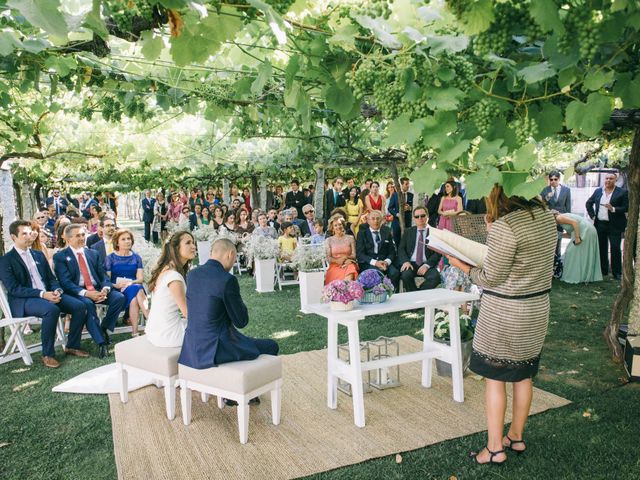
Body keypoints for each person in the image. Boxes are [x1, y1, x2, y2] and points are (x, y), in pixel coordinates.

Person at [447, 184, 557, 466]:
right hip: (537, 307)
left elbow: (490, 277)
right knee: (523, 374)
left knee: (495, 378)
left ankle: (495, 448)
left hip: (505, 312)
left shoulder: (506, 225)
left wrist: (461, 265)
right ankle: (516, 436)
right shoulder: (545, 216)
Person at [177, 238, 279, 373]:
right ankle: (245, 391)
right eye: (235, 258)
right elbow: (241, 321)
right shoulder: (227, 280)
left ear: (211, 253)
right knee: (272, 345)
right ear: (230, 254)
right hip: (217, 348)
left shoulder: (192, 275)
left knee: (250, 341)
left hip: (192, 346)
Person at [0, 220, 90, 368]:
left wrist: (57, 290)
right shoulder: (5, 260)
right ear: (13, 237)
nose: (29, 237)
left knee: (79, 306)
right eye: (24, 234)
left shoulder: (38, 255)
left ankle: (72, 345)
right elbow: (14, 289)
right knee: (52, 310)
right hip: (25, 300)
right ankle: (48, 354)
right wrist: (43, 294)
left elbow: (50, 278)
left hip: (49, 294)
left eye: (30, 233)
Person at [53, 224, 126, 358]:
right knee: (88, 304)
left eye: (83, 235)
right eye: (78, 236)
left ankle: (103, 328)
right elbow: (65, 282)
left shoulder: (93, 253)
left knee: (119, 298)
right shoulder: (61, 256)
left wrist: (105, 288)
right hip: (78, 292)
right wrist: (87, 293)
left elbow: (103, 275)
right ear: (68, 239)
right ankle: (101, 342)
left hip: (97, 289)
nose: (82, 238)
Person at [144, 231, 196, 347]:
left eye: (193, 243)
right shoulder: (174, 277)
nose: (193, 246)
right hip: (168, 335)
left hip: (155, 330)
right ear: (176, 248)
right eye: (188, 243)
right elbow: (187, 313)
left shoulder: (166, 269)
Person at [105, 229, 149, 337]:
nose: (127, 241)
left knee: (135, 293)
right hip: (117, 289)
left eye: (129, 239)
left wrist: (130, 283)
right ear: (117, 242)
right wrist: (116, 285)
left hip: (133, 286)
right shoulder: (110, 258)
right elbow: (107, 279)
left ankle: (135, 332)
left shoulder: (136, 258)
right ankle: (150, 320)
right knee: (136, 291)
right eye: (123, 239)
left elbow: (140, 278)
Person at [585, 172, 628, 280]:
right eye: (607, 178)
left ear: (616, 180)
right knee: (602, 248)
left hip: (615, 225)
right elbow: (588, 203)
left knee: (615, 248)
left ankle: (617, 272)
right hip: (600, 224)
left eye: (611, 178)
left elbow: (626, 207)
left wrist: (613, 209)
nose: (608, 180)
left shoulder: (622, 192)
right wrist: (593, 216)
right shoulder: (598, 191)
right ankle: (603, 270)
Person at [397, 207, 442, 291]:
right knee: (405, 275)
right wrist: (405, 261)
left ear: (427, 216)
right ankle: (417, 299)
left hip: (427, 263)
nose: (420, 218)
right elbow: (401, 249)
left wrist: (427, 265)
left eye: (422, 215)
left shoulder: (434, 232)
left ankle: (417, 295)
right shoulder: (408, 231)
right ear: (414, 218)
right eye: (417, 217)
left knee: (435, 278)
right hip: (411, 264)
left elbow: (438, 252)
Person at [356, 210, 400, 291]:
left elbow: (392, 251)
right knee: (376, 274)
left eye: (378, 219)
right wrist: (376, 263)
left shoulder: (387, 231)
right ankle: (377, 297)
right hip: (369, 262)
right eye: (373, 219)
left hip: (384, 262)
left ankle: (393, 295)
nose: (375, 221)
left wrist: (386, 262)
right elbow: (360, 254)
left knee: (395, 273)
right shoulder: (362, 233)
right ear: (368, 221)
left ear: (381, 220)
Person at [553, 212, 603, 284]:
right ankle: (582, 276)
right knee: (582, 254)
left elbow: (575, 223)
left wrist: (577, 238)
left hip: (585, 230)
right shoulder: (561, 219)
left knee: (571, 252)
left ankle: (575, 276)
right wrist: (558, 235)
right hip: (587, 229)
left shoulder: (559, 217)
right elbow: (569, 234)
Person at [324, 215, 358, 284]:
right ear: (332, 228)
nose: (338, 227)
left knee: (351, 269)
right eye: (335, 225)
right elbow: (328, 257)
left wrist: (347, 258)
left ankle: (346, 289)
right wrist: (337, 261)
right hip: (335, 265)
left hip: (348, 263)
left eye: (340, 224)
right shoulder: (328, 240)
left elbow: (354, 255)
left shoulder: (350, 238)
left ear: (343, 225)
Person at [388, 177, 414, 246]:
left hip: (407, 221)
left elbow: (414, 208)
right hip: (397, 221)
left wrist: (410, 208)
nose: (408, 185)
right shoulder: (395, 195)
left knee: (407, 240)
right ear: (402, 185)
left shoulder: (411, 195)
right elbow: (389, 208)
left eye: (408, 184)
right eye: (406, 184)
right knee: (397, 240)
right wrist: (397, 214)